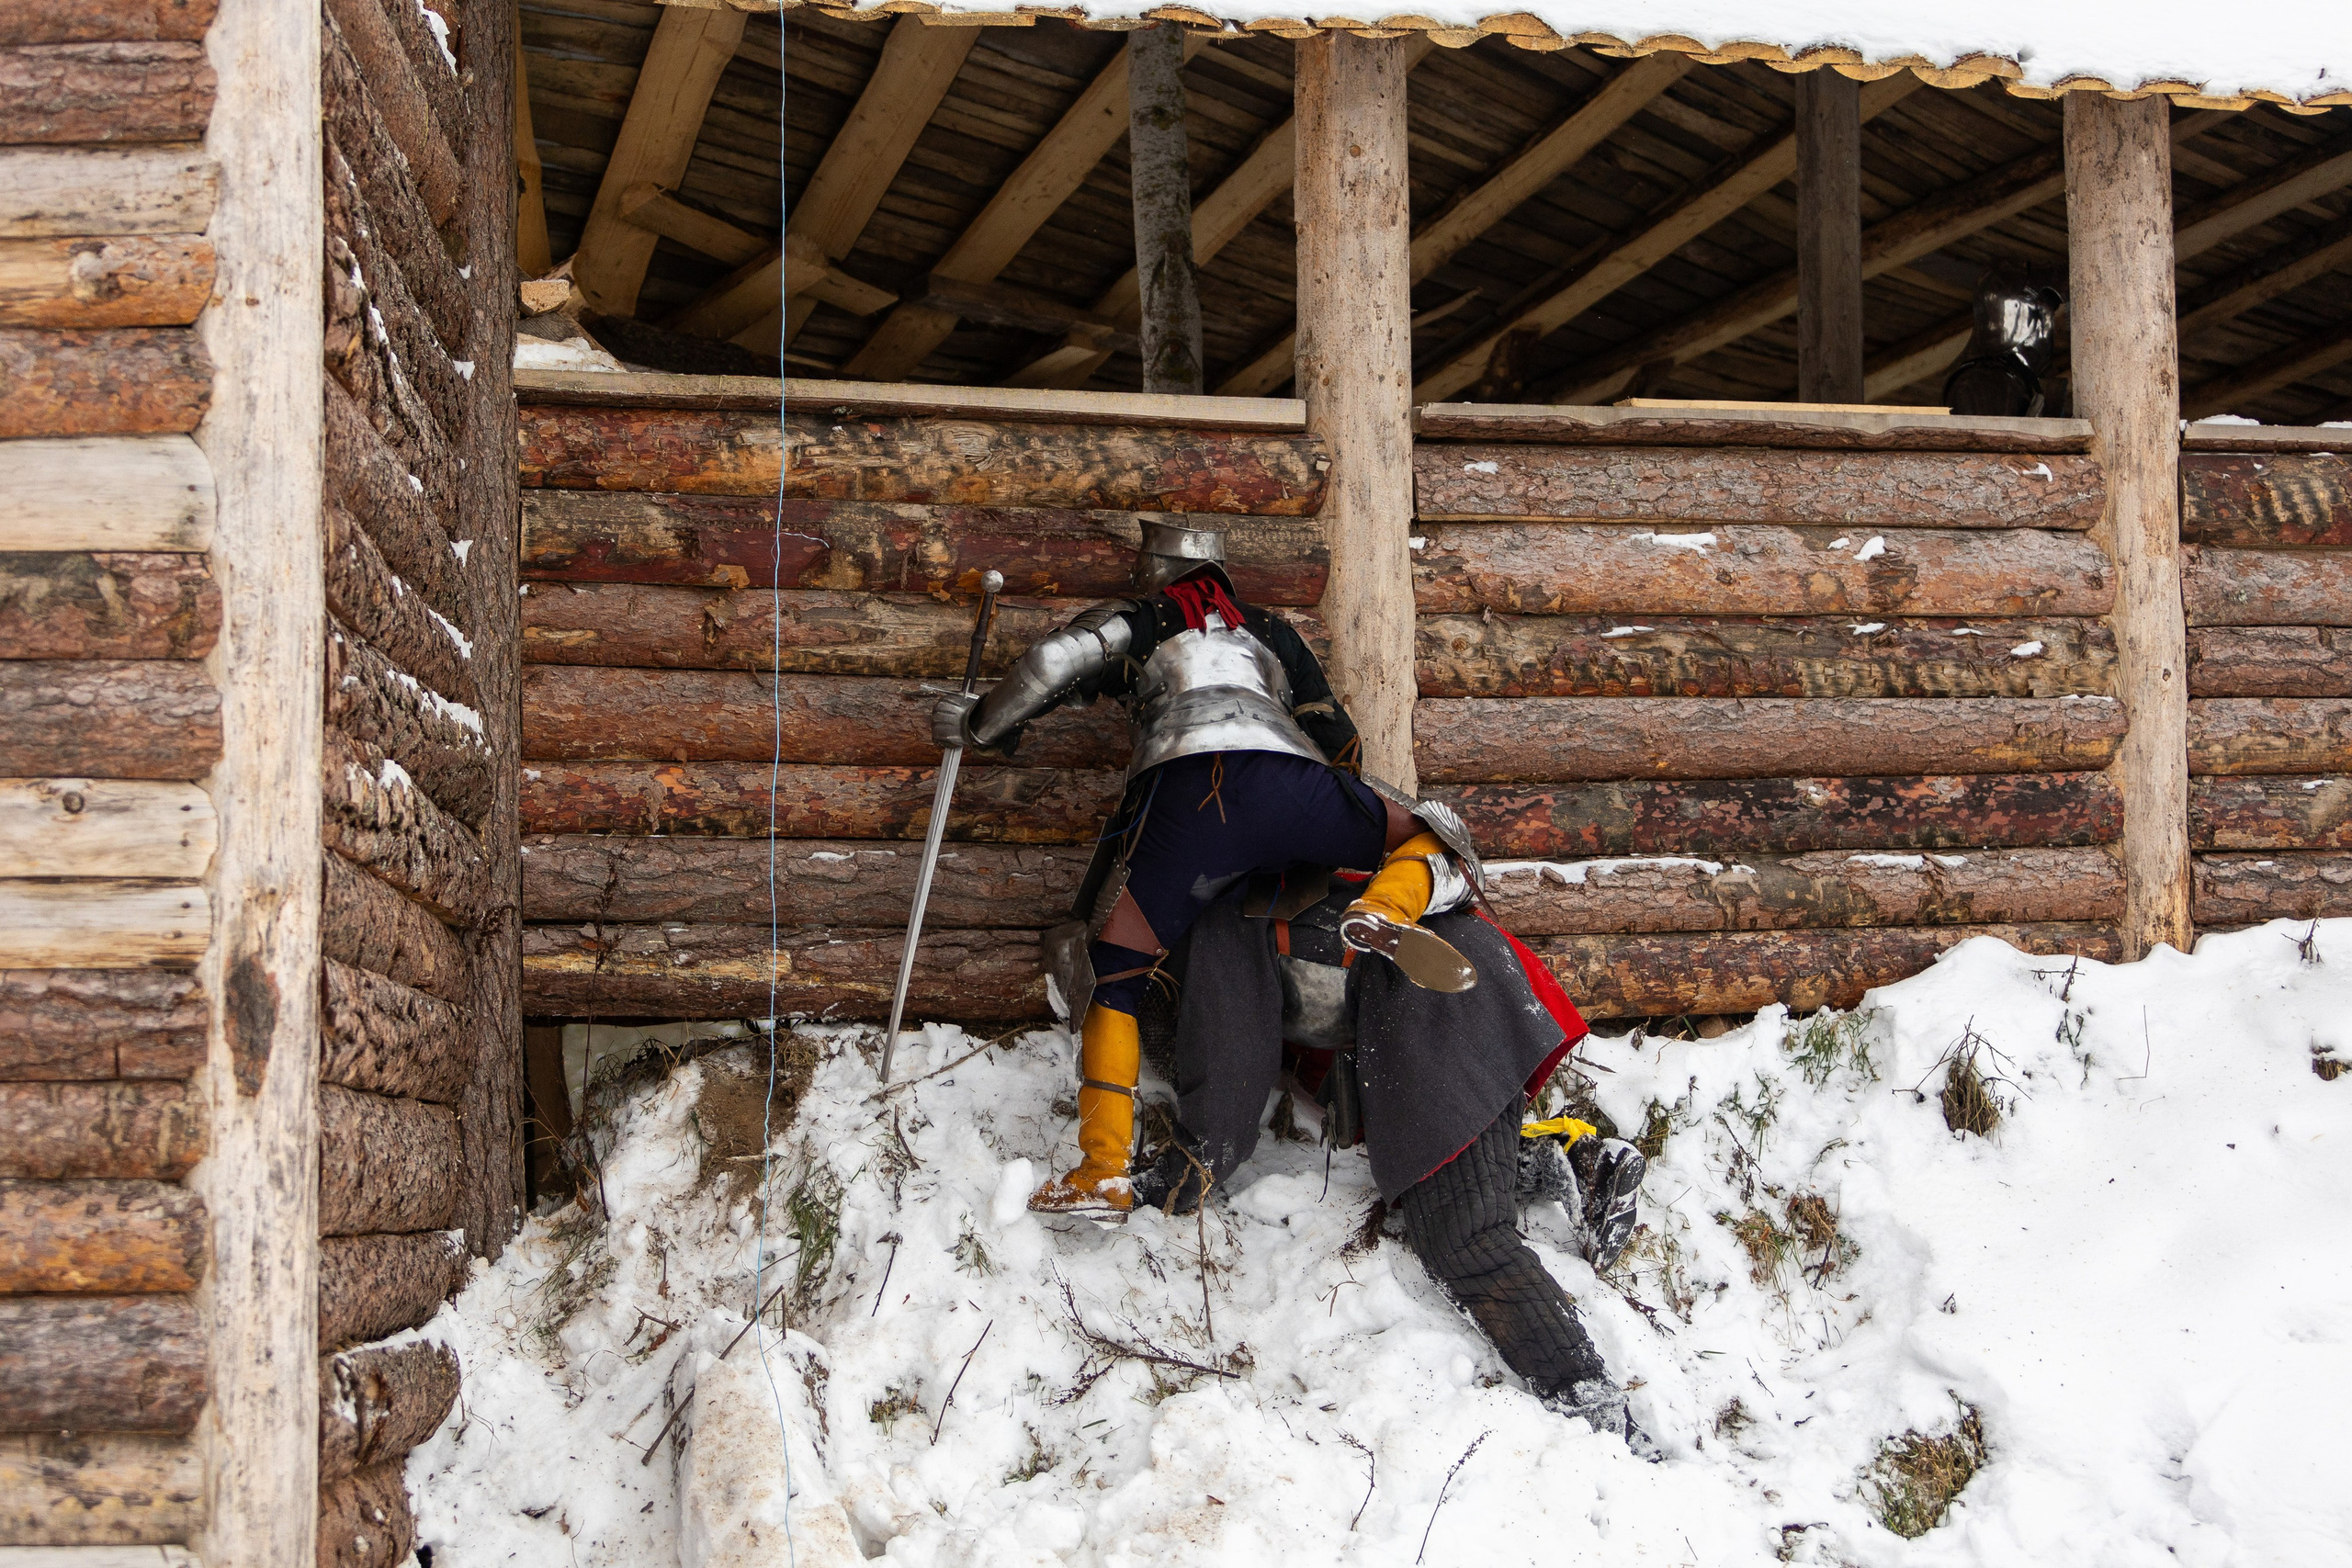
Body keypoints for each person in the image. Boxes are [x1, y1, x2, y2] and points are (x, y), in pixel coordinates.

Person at [930, 523, 1651, 1440]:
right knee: (1426, 852)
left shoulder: (1219, 909)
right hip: (1465, 954)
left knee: (1457, 1233)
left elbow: (1227, 1073)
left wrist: (1185, 1171)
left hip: (1405, 990)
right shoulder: (1266, 643)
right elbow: (1344, 746)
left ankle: (1587, 1394)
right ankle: (1565, 1154)